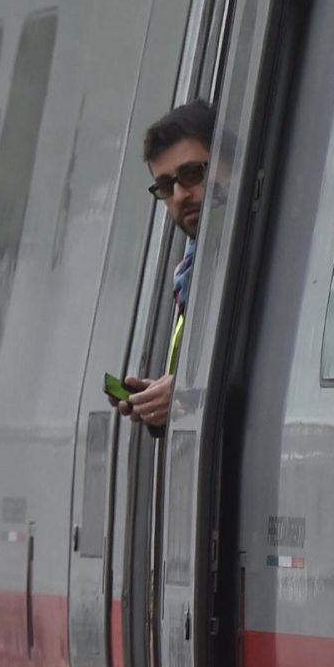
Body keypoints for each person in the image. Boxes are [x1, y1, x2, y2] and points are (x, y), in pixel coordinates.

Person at [114, 100, 216, 431]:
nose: (179, 195)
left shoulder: (263, 258)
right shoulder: (195, 273)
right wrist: (164, 403)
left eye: (191, 174)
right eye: (164, 186)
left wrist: (189, 396)